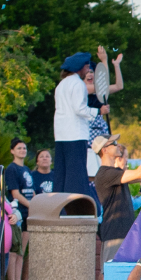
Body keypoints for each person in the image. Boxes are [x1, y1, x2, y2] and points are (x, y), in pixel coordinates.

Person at [93, 139, 141, 261]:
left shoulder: (115, 173)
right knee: (110, 275)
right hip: (114, 234)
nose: (117, 145)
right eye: (114, 144)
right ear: (104, 150)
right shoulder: (105, 173)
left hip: (123, 233)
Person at [52, 54, 103, 194]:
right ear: (80, 67)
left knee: (62, 173)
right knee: (77, 173)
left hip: (61, 134)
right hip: (75, 134)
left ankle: (59, 205)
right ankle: (75, 206)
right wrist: (98, 111)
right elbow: (79, 108)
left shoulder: (61, 85)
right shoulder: (78, 84)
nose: (88, 69)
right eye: (86, 66)